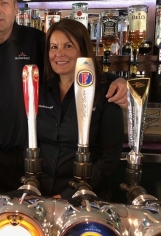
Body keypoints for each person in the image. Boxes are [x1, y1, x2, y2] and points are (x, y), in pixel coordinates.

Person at [0, 0, 126, 193]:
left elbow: (70, 63)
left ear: (15, 8)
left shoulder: (35, 41)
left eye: (4, 2)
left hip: (25, 161)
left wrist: (116, 81)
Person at [38, 19, 124, 200]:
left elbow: (109, 158)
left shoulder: (105, 92)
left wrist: (68, 195)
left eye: (68, 46)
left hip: (85, 199)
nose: (59, 54)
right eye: (53, 47)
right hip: (42, 197)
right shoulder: (41, 90)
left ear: (83, 50)